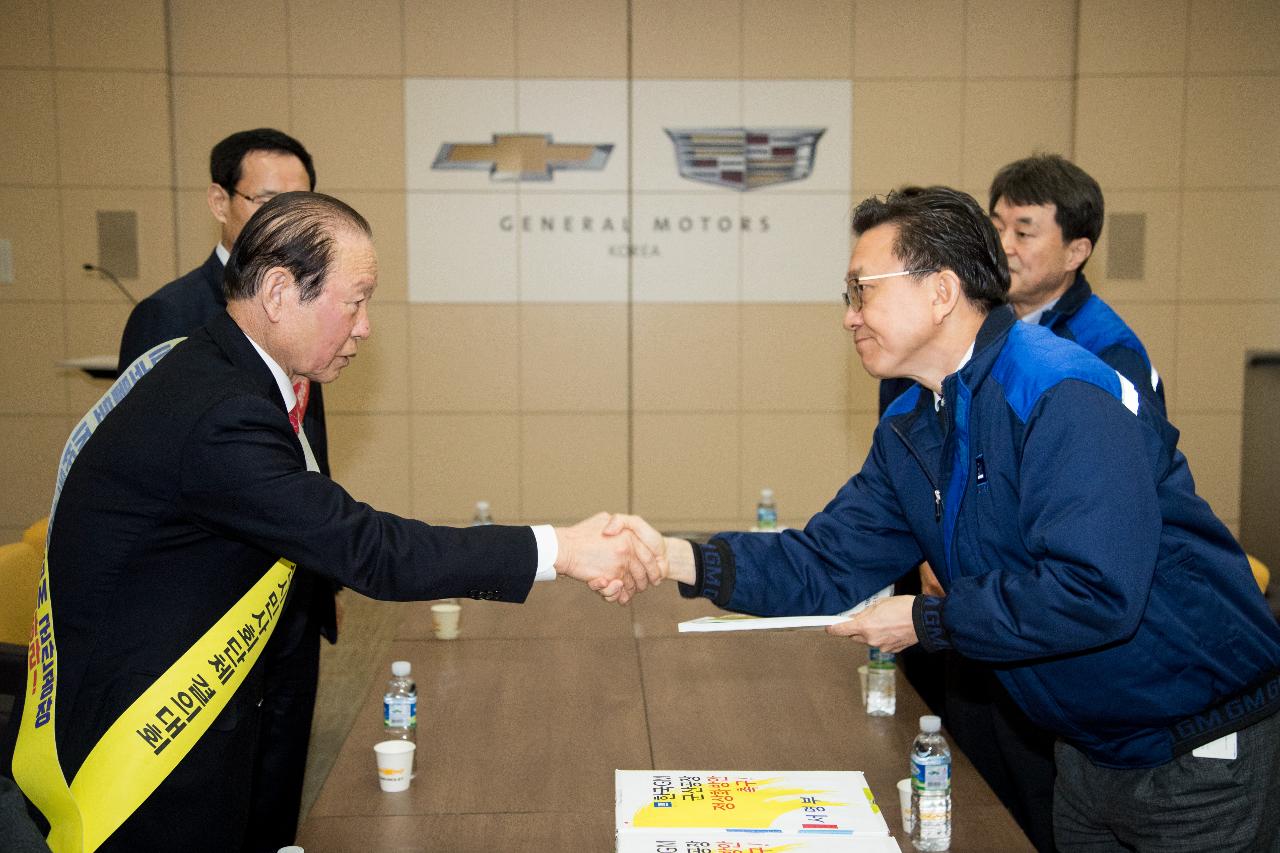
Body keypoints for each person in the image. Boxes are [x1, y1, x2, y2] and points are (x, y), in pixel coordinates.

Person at [609, 186, 1280, 851]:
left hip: (1199, 751)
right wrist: (675, 557)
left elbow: (1096, 592)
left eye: (862, 290)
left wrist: (929, 620)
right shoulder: (913, 421)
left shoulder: (1060, 390)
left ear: (941, 291)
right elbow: (826, 560)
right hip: (1090, 751)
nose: (850, 317)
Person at [15, 192, 662, 853]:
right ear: (277, 291)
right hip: (143, 746)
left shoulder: (219, 370)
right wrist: (563, 549)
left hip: (172, 710)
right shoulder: (221, 412)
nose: (365, 326)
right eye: (354, 301)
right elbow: (370, 549)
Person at [116, 127, 333, 848]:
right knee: (212, 796)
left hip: (292, 593)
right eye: (268, 201)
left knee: (278, 787)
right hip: (209, 615)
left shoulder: (305, 302)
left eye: (300, 204)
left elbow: (301, 444)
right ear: (220, 200)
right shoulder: (170, 316)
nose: (286, 223)